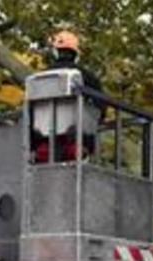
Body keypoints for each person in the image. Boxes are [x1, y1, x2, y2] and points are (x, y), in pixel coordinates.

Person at [31, 30, 105, 164]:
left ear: (55, 52)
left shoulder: (39, 78)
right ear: (76, 55)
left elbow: (30, 111)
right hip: (77, 143)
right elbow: (100, 110)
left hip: (42, 143)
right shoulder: (89, 78)